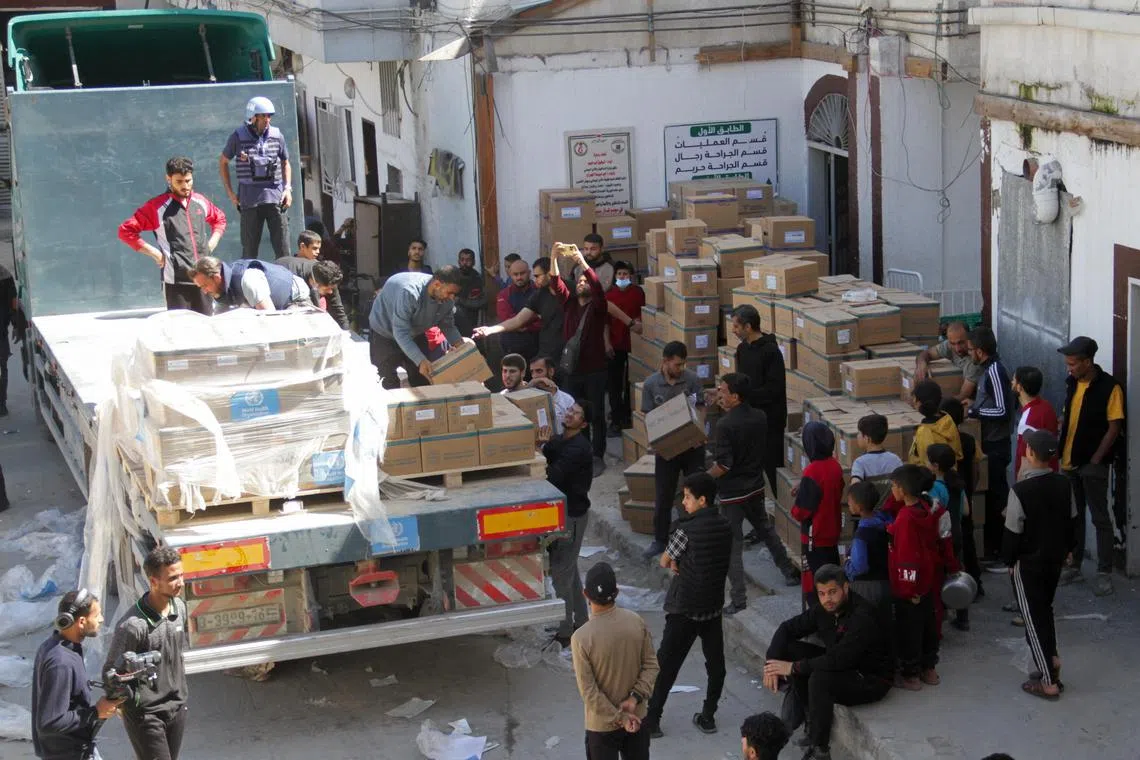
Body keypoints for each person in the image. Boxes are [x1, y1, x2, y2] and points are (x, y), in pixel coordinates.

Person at [763, 565, 892, 760]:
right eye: (822, 593)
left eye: (832, 592)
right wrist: (770, 665)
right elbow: (786, 629)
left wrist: (793, 667)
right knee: (791, 651)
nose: (827, 599)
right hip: (841, 665)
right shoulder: (824, 610)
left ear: (845, 588)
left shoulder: (862, 616)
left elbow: (840, 659)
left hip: (868, 677)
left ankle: (820, 749)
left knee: (818, 677)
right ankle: (810, 721)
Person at [643, 473, 732, 739]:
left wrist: (675, 564)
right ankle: (708, 716)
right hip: (712, 607)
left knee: (667, 665)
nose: (684, 503)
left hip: (685, 607)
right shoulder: (725, 526)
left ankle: (653, 719)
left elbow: (665, 559)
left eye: (688, 497)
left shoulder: (685, 530)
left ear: (702, 500)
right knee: (716, 665)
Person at [709, 373, 800, 607]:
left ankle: (738, 599)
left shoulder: (724, 425)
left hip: (732, 494)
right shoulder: (760, 417)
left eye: (724, 391)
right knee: (766, 530)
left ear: (736, 397)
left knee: (733, 547)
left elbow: (724, 464)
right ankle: (789, 571)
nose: (720, 394)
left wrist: (704, 476)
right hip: (755, 486)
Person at [1003, 430, 1075, 700]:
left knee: (1033, 620)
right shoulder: (1063, 483)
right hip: (1054, 559)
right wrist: (1069, 550)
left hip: (1028, 562)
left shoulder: (1020, 491)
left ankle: (1048, 682)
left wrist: (1009, 562)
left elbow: (1012, 532)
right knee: (1044, 611)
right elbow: (1072, 521)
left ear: (1030, 454)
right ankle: (1052, 661)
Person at [104, 546, 188, 760]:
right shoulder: (133, 626)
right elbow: (111, 673)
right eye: (172, 578)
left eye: (181, 575)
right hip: (146, 715)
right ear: (153, 581)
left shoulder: (179, 608)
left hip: (176, 707)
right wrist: (123, 700)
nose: (180, 582)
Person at [570, 562, 659, 760]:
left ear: (586, 594)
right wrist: (634, 698)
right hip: (637, 717)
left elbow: (589, 693)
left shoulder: (581, 638)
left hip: (602, 726)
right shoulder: (636, 621)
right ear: (617, 592)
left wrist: (619, 717)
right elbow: (651, 665)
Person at [1056, 337, 1124, 594]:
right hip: (1069, 460)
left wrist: (1096, 459)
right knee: (1074, 516)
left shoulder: (1110, 387)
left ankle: (1104, 571)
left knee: (1099, 518)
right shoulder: (1072, 382)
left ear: (1087, 362)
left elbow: (1114, 426)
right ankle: (1074, 567)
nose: (1069, 368)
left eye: (1073, 364)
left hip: (1092, 463)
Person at [118, 156, 226, 315]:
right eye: (179, 181)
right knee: (180, 331)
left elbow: (220, 219)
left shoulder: (200, 201)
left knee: (207, 329)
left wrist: (212, 242)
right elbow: (125, 231)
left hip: (204, 280)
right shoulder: (156, 207)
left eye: (188, 180)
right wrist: (154, 253)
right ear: (168, 179)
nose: (185, 186)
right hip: (176, 282)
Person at [32, 590, 122, 760]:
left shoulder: (58, 645)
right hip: (69, 754)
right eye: (97, 615)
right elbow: (49, 722)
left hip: (77, 748)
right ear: (81, 621)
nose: (102, 619)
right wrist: (96, 712)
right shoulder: (61, 663)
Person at [641, 341, 705, 558]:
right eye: (677, 365)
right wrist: (655, 442)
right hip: (666, 451)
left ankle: (698, 536)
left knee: (697, 492)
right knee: (664, 496)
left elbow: (701, 408)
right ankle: (660, 540)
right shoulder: (651, 385)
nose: (680, 369)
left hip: (692, 447)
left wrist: (699, 434)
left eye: (683, 365)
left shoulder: (692, 380)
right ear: (665, 361)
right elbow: (648, 418)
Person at [554, 244, 610, 475]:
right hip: (572, 370)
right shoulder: (569, 305)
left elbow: (597, 285)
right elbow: (555, 284)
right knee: (577, 412)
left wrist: (582, 261)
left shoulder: (598, 307)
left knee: (596, 414)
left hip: (595, 369)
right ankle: (584, 450)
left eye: (584, 281)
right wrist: (553, 256)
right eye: (578, 281)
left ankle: (598, 455)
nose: (581, 283)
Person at [544, 401, 595, 646]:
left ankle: (565, 632)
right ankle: (582, 620)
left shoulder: (579, 448)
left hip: (571, 516)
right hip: (563, 513)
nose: (569, 413)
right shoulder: (563, 439)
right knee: (569, 569)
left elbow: (554, 474)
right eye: (569, 409)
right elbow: (551, 448)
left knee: (560, 574)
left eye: (576, 413)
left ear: (583, 424)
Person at [887, 464, 942, 690]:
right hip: (927, 581)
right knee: (928, 625)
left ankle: (911, 675)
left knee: (909, 630)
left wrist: (908, 590)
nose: (891, 491)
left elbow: (907, 556)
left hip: (909, 587)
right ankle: (929, 668)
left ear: (902, 489)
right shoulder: (926, 509)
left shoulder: (905, 518)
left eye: (893, 486)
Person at [367, 268, 467, 389]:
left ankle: (423, 407)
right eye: (450, 293)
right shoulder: (410, 293)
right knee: (387, 379)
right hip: (384, 332)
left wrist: (462, 348)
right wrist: (420, 360)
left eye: (454, 294)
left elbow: (447, 326)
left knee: (423, 377)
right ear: (436, 284)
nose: (452, 298)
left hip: (415, 332)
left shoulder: (447, 299)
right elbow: (401, 333)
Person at [219, 96, 291, 260]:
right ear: (253, 117)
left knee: (283, 249)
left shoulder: (277, 135)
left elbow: (286, 162)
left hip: (275, 199)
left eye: (269, 116)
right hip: (249, 200)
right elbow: (223, 162)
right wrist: (230, 193)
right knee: (249, 251)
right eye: (263, 116)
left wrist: (288, 189)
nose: (267, 120)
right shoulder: (238, 137)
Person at [729, 305, 787, 504]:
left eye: (736, 326)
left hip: (769, 422)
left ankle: (781, 515)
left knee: (772, 468)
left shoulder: (771, 351)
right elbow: (739, 382)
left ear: (748, 326)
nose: (733, 330)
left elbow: (774, 389)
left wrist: (746, 396)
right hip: (749, 421)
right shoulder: (742, 349)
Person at [966, 326, 1015, 564]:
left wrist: (974, 410)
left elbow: (1003, 409)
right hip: (989, 443)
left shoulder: (995, 371)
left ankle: (1001, 552)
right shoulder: (987, 369)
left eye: (970, 350)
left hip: (996, 445)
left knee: (997, 497)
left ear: (981, 351)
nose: (968, 354)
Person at [792, 422, 846, 605]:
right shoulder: (835, 466)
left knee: (817, 585)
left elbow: (801, 511)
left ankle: (821, 622)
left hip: (815, 537)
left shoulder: (812, 471)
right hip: (833, 530)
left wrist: (797, 502)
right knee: (833, 579)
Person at [926, 443, 965, 634]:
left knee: (941, 575)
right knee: (957, 573)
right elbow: (966, 510)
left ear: (934, 465)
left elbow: (934, 514)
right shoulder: (957, 482)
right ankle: (962, 615)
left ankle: (940, 616)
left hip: (945, 535)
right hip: (958, 532)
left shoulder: (935, 488)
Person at [276, 232, 350, 329]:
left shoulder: (326, 273)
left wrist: (346, 332)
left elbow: (337, 308)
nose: (330, 291)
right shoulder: (286, 269)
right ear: (314, 282)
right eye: (314, 248)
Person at [605, 260, 645, 435]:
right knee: (614, 384)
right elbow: (604, 323)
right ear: (615, 276)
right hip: (615, 344)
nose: (622, 277)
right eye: (619, 274)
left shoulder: (638, 293)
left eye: (625, 274)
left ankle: (628, 416)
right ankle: (615, 418)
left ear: (631, 276)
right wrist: (606, 343)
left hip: (634, 345)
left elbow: (645, 315)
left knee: (632, 381)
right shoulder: (609, 295)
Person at [190, 256, 311, 313]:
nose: (204, 292)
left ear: (216, 278)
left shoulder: (248, 280)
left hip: (296, 298)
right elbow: (220, 320)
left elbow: (270, 317)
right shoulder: (221, 291)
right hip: (274, 307)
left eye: (204, 286)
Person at [844, 480, 892, 615]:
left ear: (858, 506)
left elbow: (860, 567)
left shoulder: (862, 534)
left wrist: (847, 565)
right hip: (886, 582)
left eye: (849, 501)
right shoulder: (885, 523)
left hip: (866, 587)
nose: (848, 504)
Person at [914, 320, 983, 403]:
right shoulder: (949, 345)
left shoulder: (974, 361)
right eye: (953, 344)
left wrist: (931, 404)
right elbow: (926, 353)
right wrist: (921, 364)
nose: (957, 349)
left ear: (969, 338)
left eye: (961, 343)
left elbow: (963, 396)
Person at [1012, 365, 1059, 480]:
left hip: (1033, 483)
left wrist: (1018, 490)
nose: (1011, 382)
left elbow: (1025, 461)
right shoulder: (1047, 407)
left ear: (1019, 387)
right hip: (1051, 477)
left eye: (1013, 380)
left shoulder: (1028, 419)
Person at [492, 257, 540, 361]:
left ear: (529, 273)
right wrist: (532, 318)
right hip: (511, 346)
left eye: (522, 273)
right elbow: (506, 318)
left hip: (537, 346)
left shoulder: (539, 292)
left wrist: (520, 323)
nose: (519, 277)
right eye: (515, 274)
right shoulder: (504, 294)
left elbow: (544, 318)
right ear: (510, 274)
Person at [908, 380, 963, 465]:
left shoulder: (924, 432)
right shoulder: (947, 419)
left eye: (914, 398)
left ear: (919, 402)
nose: (913, 401)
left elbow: (926, 464)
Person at [528, 356, 576, 435]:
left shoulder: (567, 400)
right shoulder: (529, 397)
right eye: (532, 372)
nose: (534, 376)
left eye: (539, 371)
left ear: (551, 371)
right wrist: (533, 383)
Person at [850, 414, 903, 483]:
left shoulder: (860, 463)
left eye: (859, 433)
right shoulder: (895, 460)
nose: (857, 436)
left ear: (867, 439)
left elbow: (855, 485)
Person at [0, 264, 19, 416]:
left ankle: (1, 404)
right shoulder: (5, 275)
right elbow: (13, 302)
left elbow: (13, 302)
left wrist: (16, 324)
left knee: (2, 368)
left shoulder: (5, 276)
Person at [454, 248, 485, 338]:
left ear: (473, 262)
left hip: (470, 318)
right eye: (462, 260)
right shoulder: (453, 276)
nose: (465, 263)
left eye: (468, 260)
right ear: (458, 261)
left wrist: (459, 300)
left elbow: (478, 302)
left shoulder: (477, 279)